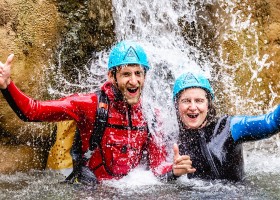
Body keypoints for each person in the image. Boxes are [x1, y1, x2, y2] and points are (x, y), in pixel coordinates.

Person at [0, 41, 191, 185]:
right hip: (92, 191)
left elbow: (157, 168)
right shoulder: (89, 105)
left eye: (138, 73)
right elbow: (32, 111)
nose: (134, 81)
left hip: (133, 189)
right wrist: (7, 85)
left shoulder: (151, 115)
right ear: (112, 76)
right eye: (126, 74)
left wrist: (173, 171)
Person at [171, 71, 280, 181]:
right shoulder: (171, 140)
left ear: (208, 105)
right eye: (186, 101)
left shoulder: (229, 127)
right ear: (177, 105)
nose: (193, 107)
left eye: (199, 101)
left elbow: (271, 123)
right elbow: (156, 180)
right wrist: (174, 174)